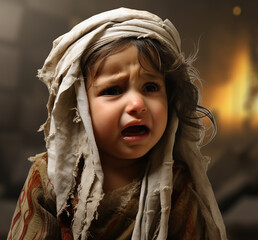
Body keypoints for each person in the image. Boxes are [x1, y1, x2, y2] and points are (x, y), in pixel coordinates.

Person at [7, 7, 226, 240]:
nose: (136, 104)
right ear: (79, 108)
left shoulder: (177, 186)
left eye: (150, 87)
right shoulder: (50, 176)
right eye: (113, 90)